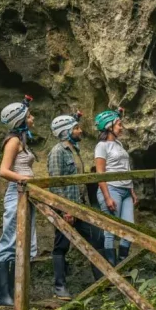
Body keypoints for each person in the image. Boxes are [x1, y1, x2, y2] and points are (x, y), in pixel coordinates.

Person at [48, 112, 106, 300]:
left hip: (79, 206)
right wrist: (64, 209)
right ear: (65, 132)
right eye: (76, 128)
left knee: (96, 237)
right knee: (61, 245)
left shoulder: (75, 150)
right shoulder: (57, 152)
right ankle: (60, 287)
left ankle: (102, 280)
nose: (80, 131)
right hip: (66, 208)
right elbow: (56, 183)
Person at [0, 95, 38, 306]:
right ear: (20, 120)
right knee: (10, 239)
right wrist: (26, 180)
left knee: (24, 240)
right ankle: (2, 295)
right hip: (16, 193)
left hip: (26, 193)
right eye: (29, 116)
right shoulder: (13, 141)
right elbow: (3, 171)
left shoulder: (22, 141)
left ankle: (13, 290)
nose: (32, 118)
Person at [94, 108, 136, 265]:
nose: (121, 127)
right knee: (111, 230)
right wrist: (107, 197)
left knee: (130, 229)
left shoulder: (119, 144)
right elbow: (100, 173)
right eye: (119, 124)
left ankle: (121, 262)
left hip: (126, 190)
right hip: (111, 189)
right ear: (109, 126)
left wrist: (132, 190)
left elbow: (126, 168)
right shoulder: (101, 146)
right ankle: (112, 267)